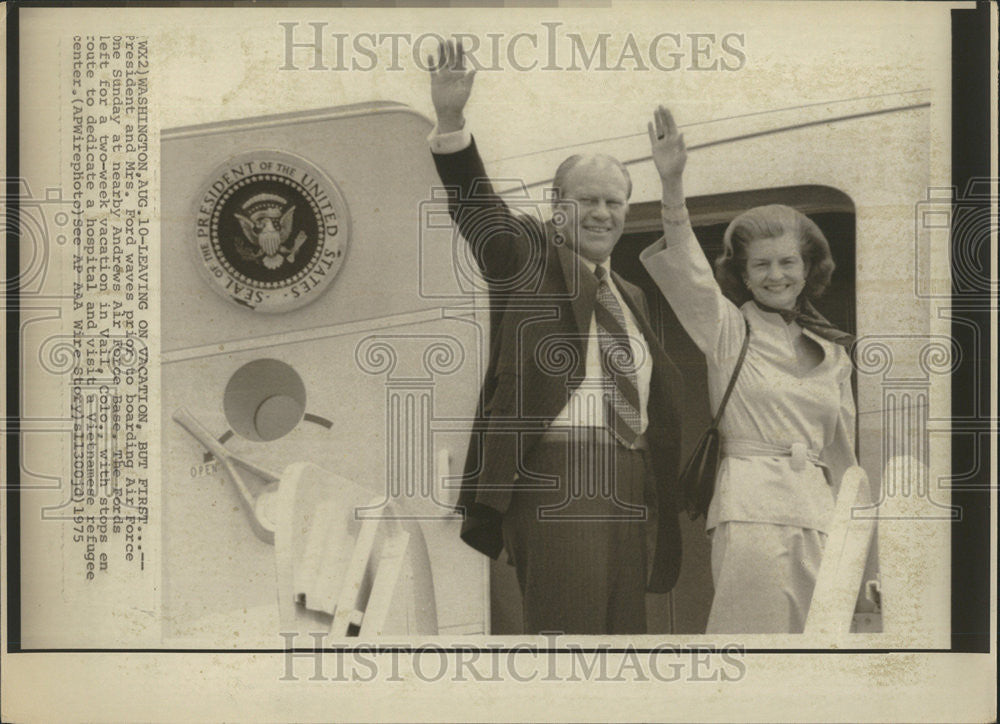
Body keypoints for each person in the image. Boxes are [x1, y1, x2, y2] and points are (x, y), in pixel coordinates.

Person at [427, 41, 685, 635]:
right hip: (560, 475)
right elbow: (481, 215)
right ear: (556, 205)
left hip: (629, 476)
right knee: (570, 643)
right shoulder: (529, 252)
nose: (602, 213)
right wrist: (451, 124)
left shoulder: (631, 294)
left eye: (613, 202)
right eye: (586, 199)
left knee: (624, 643)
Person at [640, 105, 861, 633]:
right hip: (751, 510)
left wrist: (859, 542)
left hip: (820, 515)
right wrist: (672, 185)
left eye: (787, 262)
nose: (775, 275)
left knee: (822, 650)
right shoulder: (727, 330)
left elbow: (845, 457)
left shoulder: (833, 353)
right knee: (753, 647)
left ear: (809, 269)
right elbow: (690, 271)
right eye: (760, 264)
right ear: (742, 273)